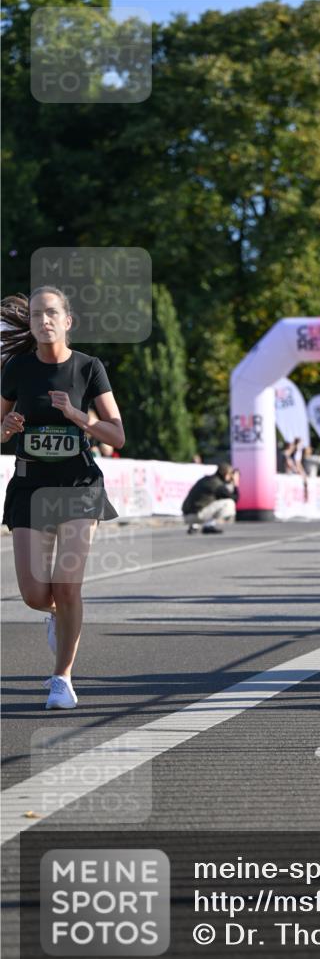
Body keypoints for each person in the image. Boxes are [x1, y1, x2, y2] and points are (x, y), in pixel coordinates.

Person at [1, 289, 123, 710]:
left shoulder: (89, 368)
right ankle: (58, 615)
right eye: (36, 314)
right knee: (36, 594)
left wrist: (77, 416)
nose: (44, 320)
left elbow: (117, 434)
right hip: (30, 486)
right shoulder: (17, 368)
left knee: (68, 586)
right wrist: (7, 428)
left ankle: (62, 678)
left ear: (67, 321)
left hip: (77, 487)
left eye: (52, 313)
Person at [181, 463, 239, 533]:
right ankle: (208, 526)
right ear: (226, 474)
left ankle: (195, 526)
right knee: (229, 502)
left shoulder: (206, 479)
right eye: (230, 474)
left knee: (209, 500)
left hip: (186, 515)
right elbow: (234, 498)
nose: (231, 477)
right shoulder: (216, 483)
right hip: (196, 516)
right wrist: (236, 484)